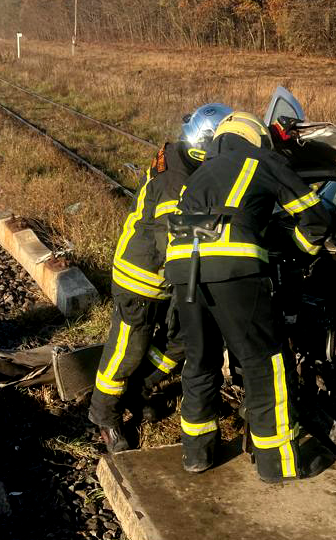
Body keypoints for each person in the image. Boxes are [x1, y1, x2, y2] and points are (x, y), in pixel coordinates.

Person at [166, 112, 332, 483]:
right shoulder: (263, 160)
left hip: (181, 268)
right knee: (265, 362)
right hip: (233, 272)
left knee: (200, 359)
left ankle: (197, 453)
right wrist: (301, 251)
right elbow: (316, 218)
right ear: (256, 138)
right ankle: (279, 464)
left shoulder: (203, 172)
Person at [88, 103, 234, 453]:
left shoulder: (186, 165)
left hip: (168, 280)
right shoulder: (175, 181)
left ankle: (139, 392)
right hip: (141, 278)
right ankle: (104, 415)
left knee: (180, 339)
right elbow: (172, 237)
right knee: (127, 350)